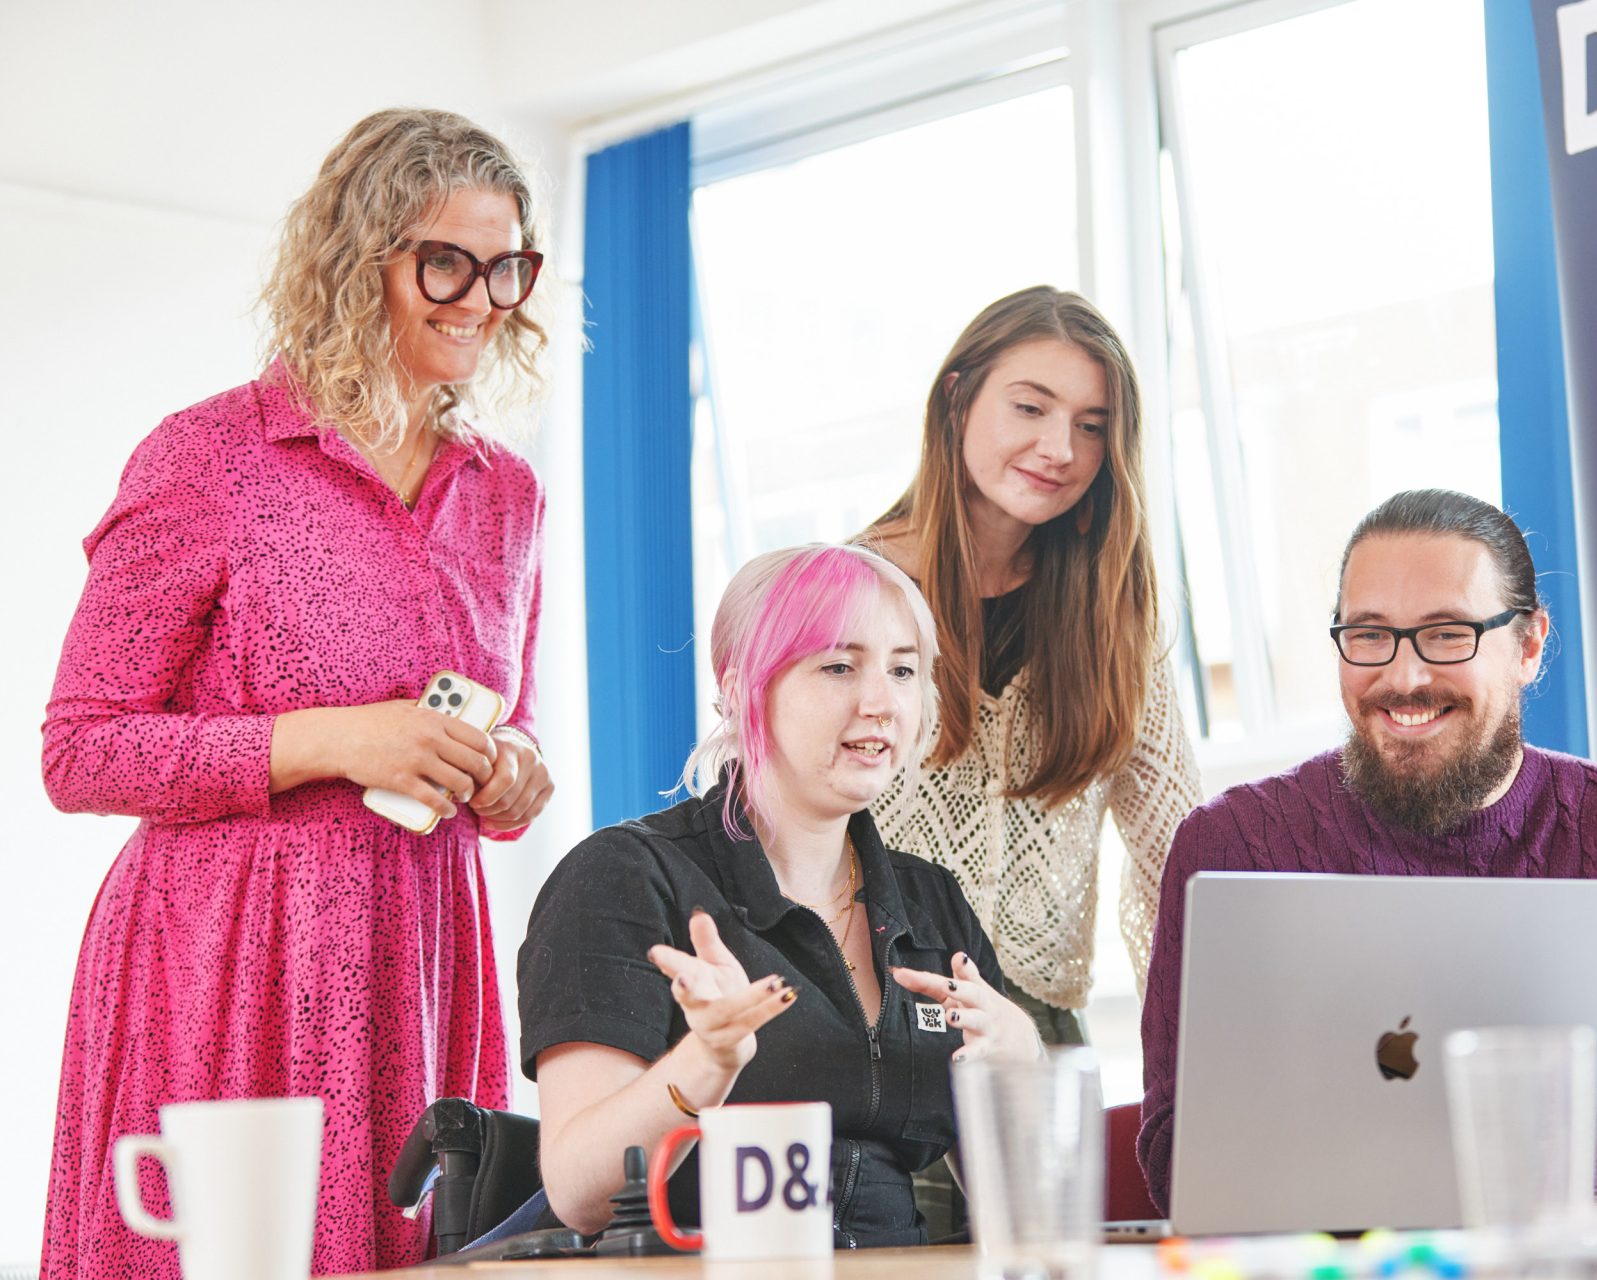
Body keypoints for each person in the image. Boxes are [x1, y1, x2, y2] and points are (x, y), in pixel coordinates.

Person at [40, 108, 555, 1277]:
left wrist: (514, 769)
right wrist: (331, 740)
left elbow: (496, 712)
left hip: (419, 957)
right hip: (226, 959)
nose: (481, 296)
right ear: (353, 259)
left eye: (507, 265)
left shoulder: (508, 493)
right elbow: (81, 751)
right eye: (446, 261)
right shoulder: (210, 455)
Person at [1138, 488, 1597, 1211]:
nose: (1404, 676)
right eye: (1369, 635)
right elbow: (1182, 1147)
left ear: (1530, 644)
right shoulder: (1227, 844)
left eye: (1448, 634)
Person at [518, 543, 1041, 1248]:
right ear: (740, 691)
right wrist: (704, 1065)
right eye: (838, 666)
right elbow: (579, 1191)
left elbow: (1025, 1221)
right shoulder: (624, 878)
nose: (882, 703)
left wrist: (1020, 1068)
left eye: (904, 669)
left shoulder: (931, 903)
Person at [863, 286, 1202, 1042]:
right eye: (1030, 408)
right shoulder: (849, 594)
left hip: (1039, 1028)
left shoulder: (1115, 614)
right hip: (875, 1026)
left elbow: (1173, 857)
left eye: (1092, 426)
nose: (1062, 449)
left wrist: (1189, 1053)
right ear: (956, 400)